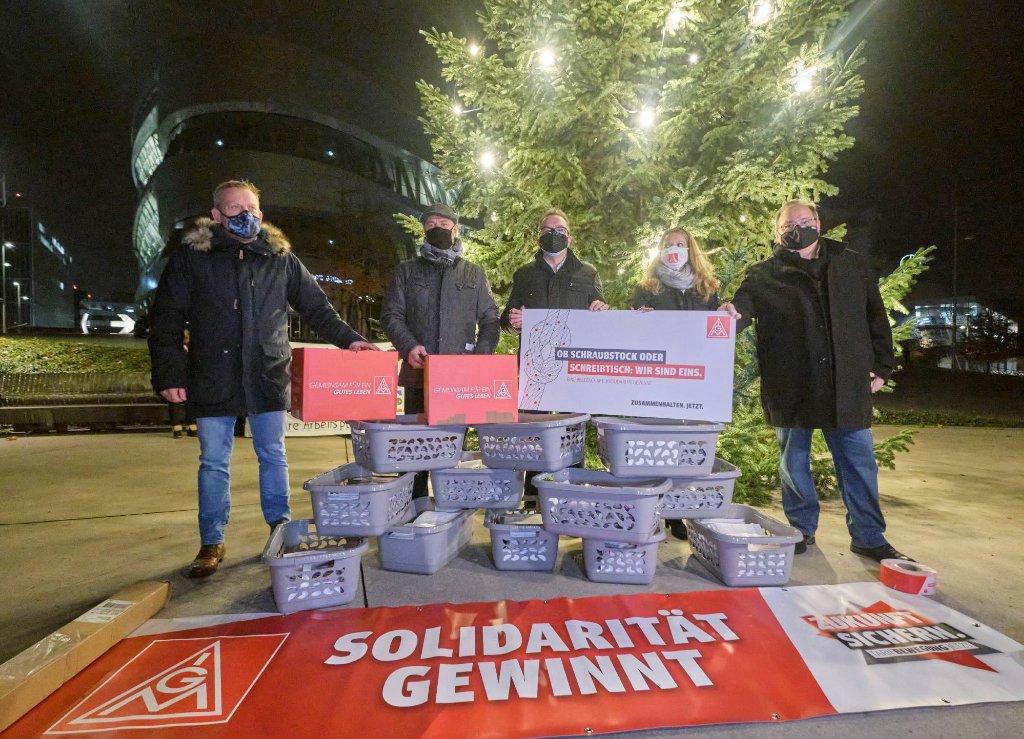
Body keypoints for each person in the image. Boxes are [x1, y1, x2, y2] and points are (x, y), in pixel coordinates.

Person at [148, 179, 378, 578]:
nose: (245, 215)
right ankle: (211, 541)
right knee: (213, 461)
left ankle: (280, 530)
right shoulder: (192, 259)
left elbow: (317, 309)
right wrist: (169, 372)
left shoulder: (280, 258)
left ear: (261, 212)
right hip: (212, 373)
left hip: (266, 373)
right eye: (234, 208)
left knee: (273, 455)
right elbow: (166, 317)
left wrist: (352, 341)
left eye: (251, 207)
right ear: (217, 215)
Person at [721, 199, 912, 562]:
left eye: (805, 222)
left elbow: (875, 315)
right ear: (777, 233)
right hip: (792, 384)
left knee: (858, 464)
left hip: (846, 383)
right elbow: (742, 308)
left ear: (818, 224)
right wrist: (731, 314)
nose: (798, 230)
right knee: (794, 464)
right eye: (789, 226)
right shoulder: (763, 274)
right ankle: (800, 530)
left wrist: (883, 364)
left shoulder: (851, 264)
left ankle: (869, 536)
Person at [380, 202, 501, 497]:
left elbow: (490, 319)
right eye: (431, 225)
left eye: (444, 225)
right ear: (424, 230)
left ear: (455, 230)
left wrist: (481, 356)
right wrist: (408, 346)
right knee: (414, 453)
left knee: (452, 452)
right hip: (418, 376)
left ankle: (451, 510)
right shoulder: (407, 272)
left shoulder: (474, 274)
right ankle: (413, 507)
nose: (438, 229)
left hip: (459, 382)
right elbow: (391, 315)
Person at [632, 227, 721, 539]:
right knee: (657, 444)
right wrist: (639, 318)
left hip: (694, 379)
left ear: (690, 249)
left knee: (687, 446)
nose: (674, 249)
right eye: (669, 244)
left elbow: (719, 330)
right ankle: (656, 511)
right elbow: (634, 329)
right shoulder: (647, 288)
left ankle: (679, 511)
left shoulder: (706, 288)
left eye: (680, 244)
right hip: (659, 379)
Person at [500, 208, 608, 332]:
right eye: (547, 230)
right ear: (538, 241)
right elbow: (505, 322)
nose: (553, 234)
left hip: (576, 344)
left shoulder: (588, 274)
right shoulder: (523, 274)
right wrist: (513, 321)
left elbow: (603, 318)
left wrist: (600, 309)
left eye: (560, 230)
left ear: (569, 240)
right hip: (537, 344)